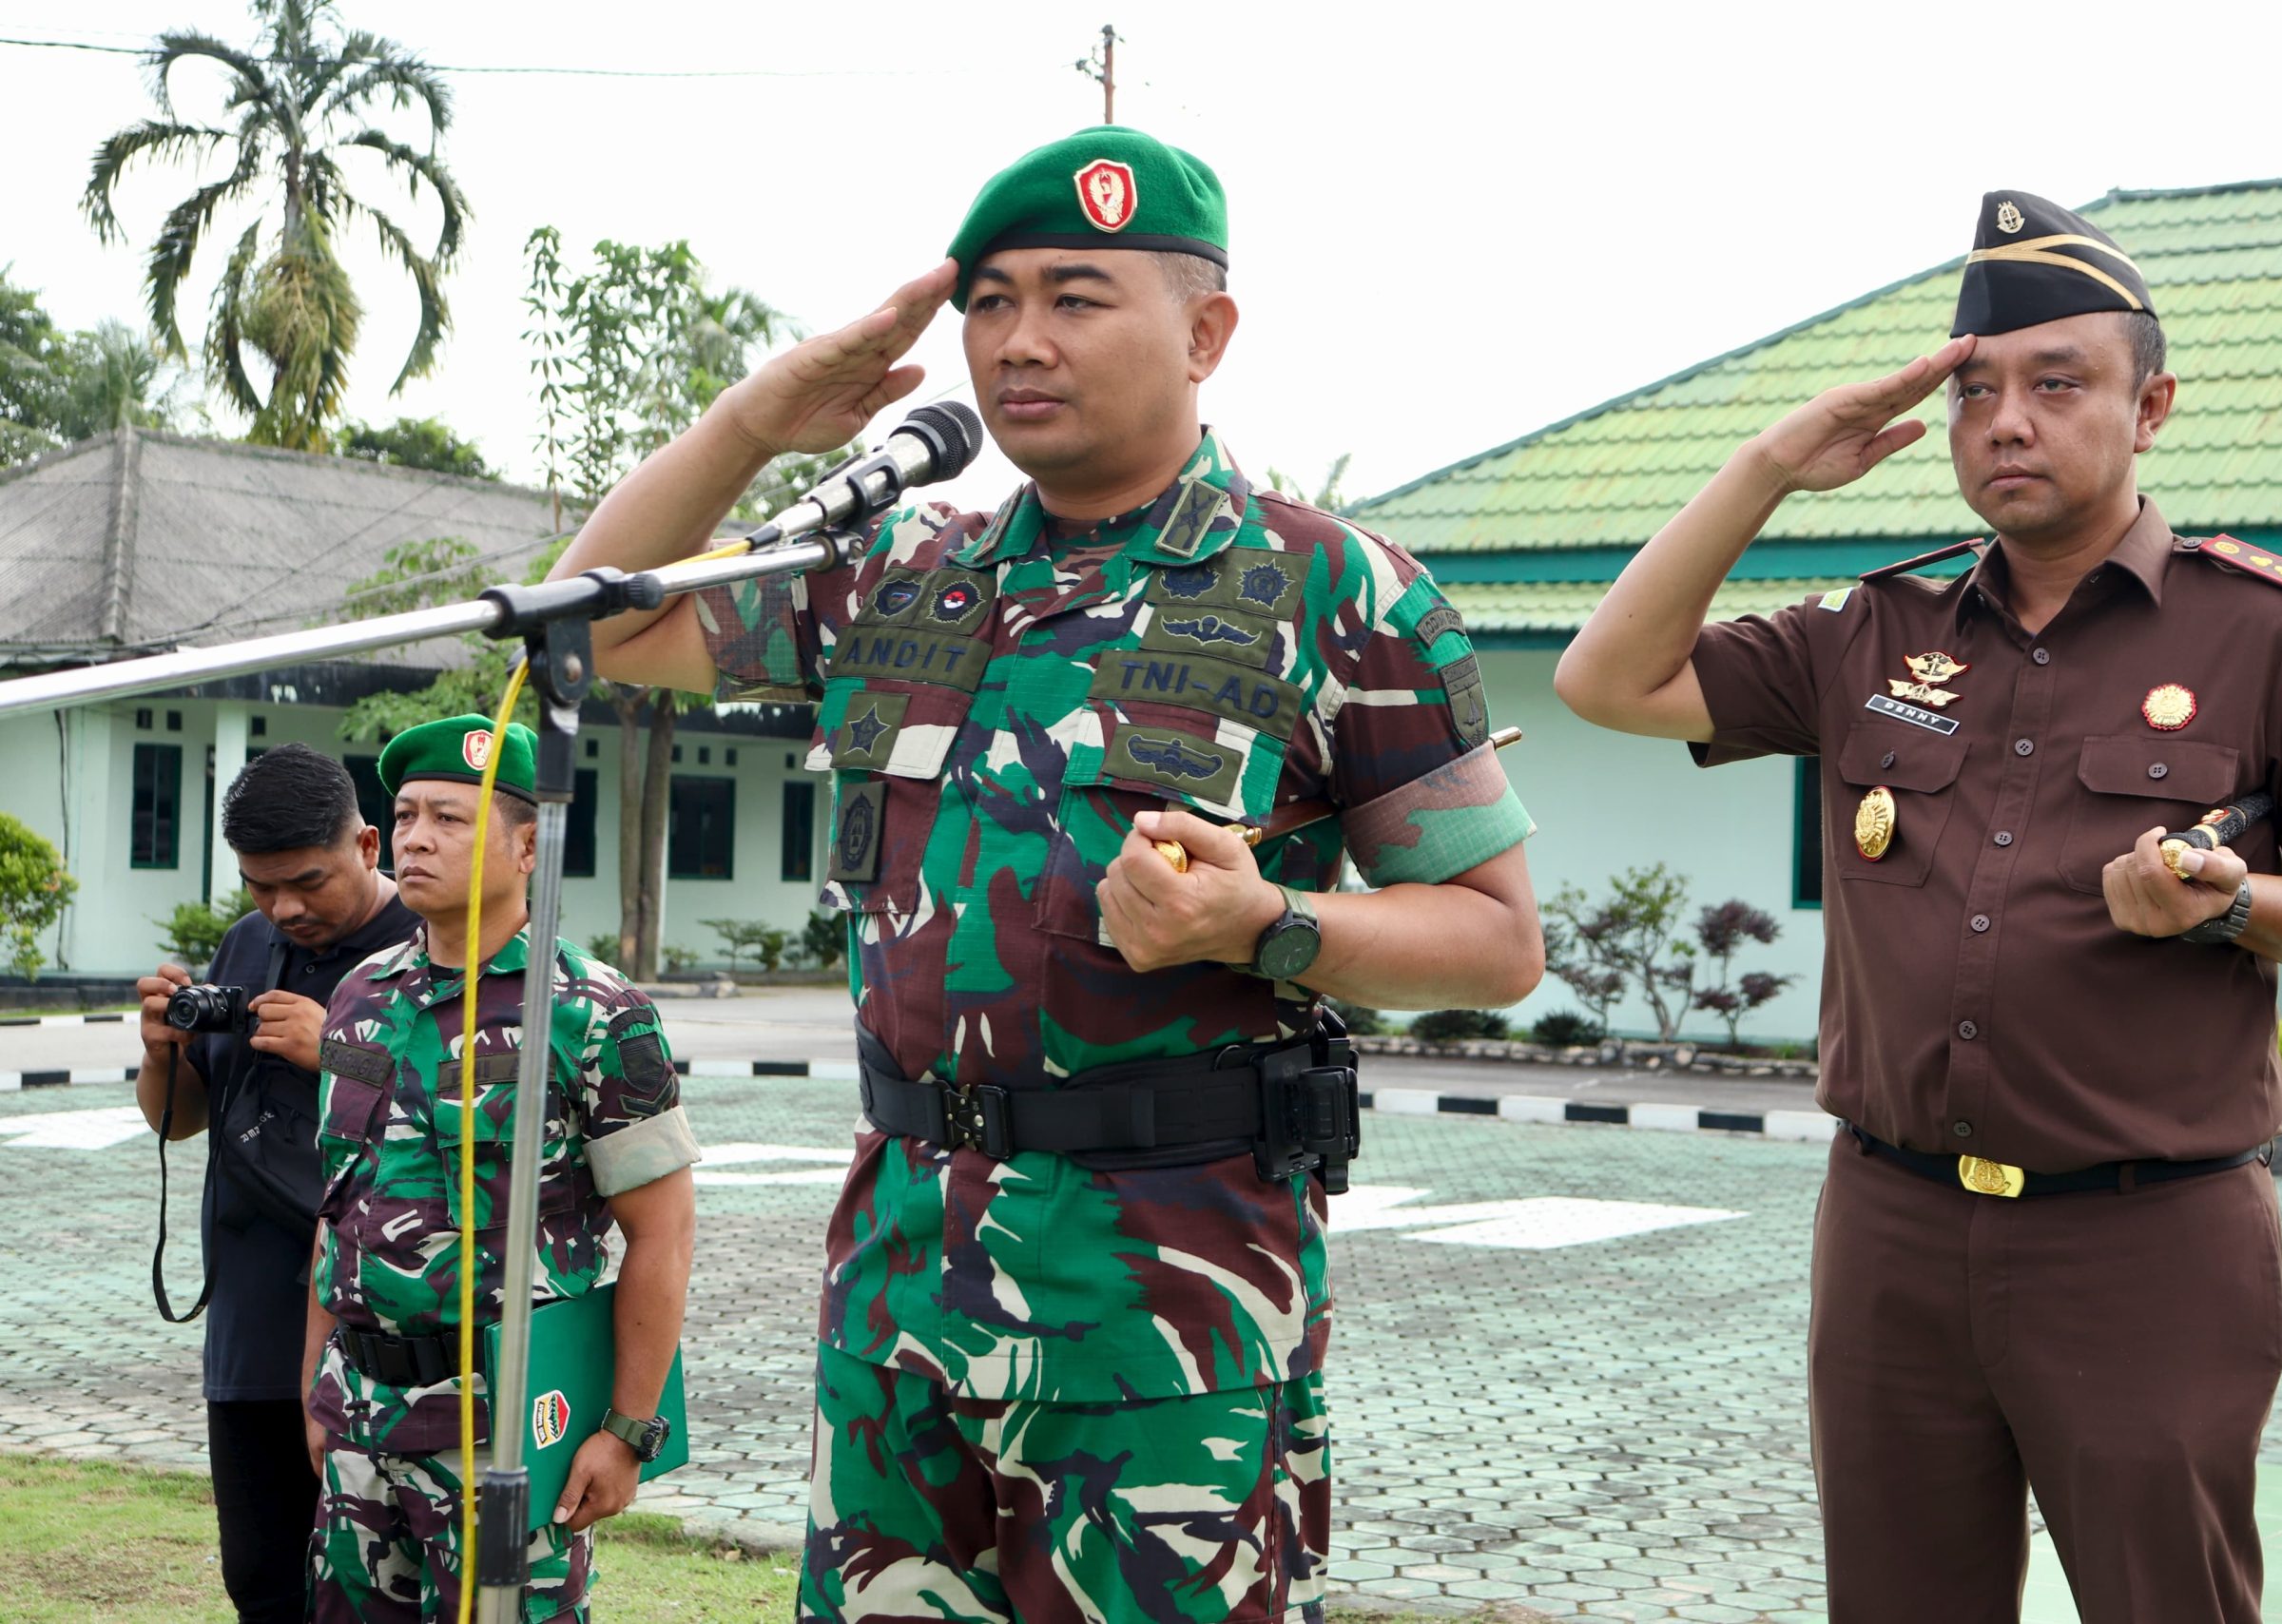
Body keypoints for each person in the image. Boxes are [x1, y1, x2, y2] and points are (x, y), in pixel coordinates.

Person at [550, 126, 1542, 1624]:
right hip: (898, 1307)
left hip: (1167, 1329)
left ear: (1205, 333)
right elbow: (596, 622)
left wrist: (1265, 922)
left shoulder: (1332, 588)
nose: (1020, 341)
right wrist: (756, 422)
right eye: (990, 303)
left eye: (1076, 299)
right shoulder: (898, 574)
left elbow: (1496, 940)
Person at [1555, 189, 2282, 1622]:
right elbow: (1606, 680)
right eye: (1976, 393)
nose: (2006, 422)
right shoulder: (1871, 630)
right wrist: (1770, 465)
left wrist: (2230, 906)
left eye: (2056, 384)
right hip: (1891, 1229)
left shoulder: (2268, 629)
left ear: (2150, 409)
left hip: (2146, 1242)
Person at [303, 715, 701, 1622]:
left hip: (504, 1435)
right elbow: (337, 1208)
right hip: (359, 1417)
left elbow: (663, 1234)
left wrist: (627, 1431)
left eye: (450, 818)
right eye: (406, 815)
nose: (415, 838)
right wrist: (314, 1382)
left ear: (529, 848)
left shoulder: (594, 1014)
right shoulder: (360, 997)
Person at [135, 743, 418, 1624]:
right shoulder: (248, 942)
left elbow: (474, 1109)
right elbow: (180, 1119)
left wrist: (337, 1052)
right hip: (253, 1326)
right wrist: (162, 1052)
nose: (285, 908)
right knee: (263, 1583)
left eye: (307, 882)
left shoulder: (426, 946)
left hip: (377, 1335)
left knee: (383, 1589)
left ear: (367, 846)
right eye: (261, 887)